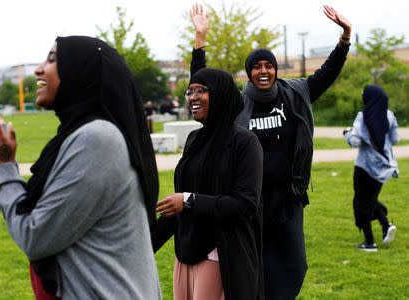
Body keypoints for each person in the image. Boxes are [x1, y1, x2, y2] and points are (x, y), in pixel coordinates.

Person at [0, 36, 162, 300]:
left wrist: (2, 165)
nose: (38, 69)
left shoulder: (97, 138)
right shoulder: (73, 138)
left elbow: (35, 237)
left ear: (81, 72)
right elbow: (28, 216)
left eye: (53, 59)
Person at [189, 4, 352, 299]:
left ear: (275, 70)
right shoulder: (236, 105)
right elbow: (202, 84)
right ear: (249, 72)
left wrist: (345, 36)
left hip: (289, 199)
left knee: (294, 264)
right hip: (251, 200)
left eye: (268, 66)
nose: (263, 71)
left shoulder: (296, 94)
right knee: (254, 264)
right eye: (256, 66)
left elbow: (327, 73)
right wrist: (200, 41)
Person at [152, 68, 264, 300]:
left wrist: (188, 201)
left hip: (221, 255)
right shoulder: (195, 138)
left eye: (200, 90)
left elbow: (245, 205)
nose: (192, 97)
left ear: (220, 94)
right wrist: (143, 246)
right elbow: (180, 205)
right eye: (189, 91)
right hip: (187, 251)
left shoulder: (244, 142)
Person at [343, 85, 399, 252]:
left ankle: (369, 243)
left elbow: (355, 141)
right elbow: (395, 139)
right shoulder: (389, 116)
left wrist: (348, 132)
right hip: (383, 168)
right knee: (369, 200)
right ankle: (386, 224)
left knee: (361, 205)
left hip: (364, 167)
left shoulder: (363, 116)